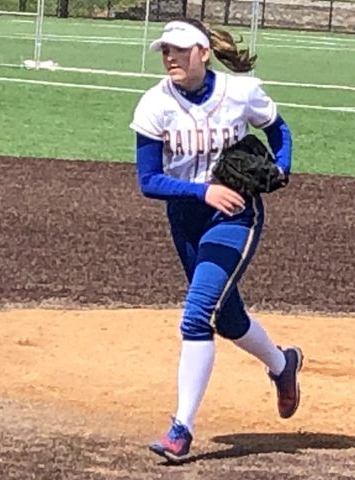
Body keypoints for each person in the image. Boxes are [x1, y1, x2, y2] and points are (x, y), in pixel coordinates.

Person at [129, 18, 303, 463]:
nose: (170, 57)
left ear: (203, 53)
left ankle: (180, 430)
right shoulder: (154, 105)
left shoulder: (240, 93)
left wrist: (280, 167)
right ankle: (284, 365)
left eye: (180, 50)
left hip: (236, 218)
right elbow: (149, 180)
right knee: (226, 319)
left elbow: (278, 129)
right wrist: (202, 190)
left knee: (196, 315)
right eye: (165, 50)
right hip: (187, 220)